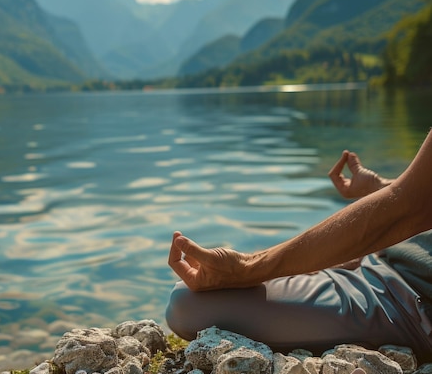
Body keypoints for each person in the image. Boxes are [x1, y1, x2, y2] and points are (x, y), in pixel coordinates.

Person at [166, 130, 432, 359]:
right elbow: (418, 203)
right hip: (383, 259)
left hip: (405, 301)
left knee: (187, 304)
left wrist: (248, 267)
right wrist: (384, 188)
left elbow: (415, 206)